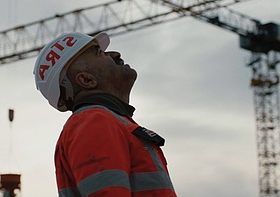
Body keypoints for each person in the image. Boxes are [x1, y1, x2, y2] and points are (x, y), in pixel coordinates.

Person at [33, 32, 177, 197]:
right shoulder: (94, 122)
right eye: (99, 52)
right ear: (87, 80)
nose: (115, 54)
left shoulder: (111, 123)